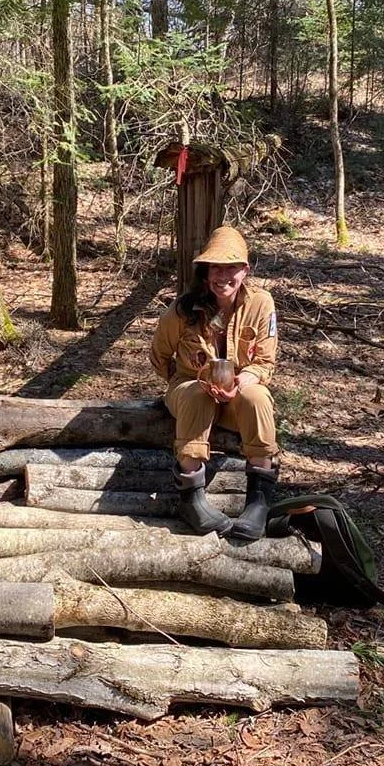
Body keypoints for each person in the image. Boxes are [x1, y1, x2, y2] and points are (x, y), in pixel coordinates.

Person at [150, 226, 279, 541]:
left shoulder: (261, 304)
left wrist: (240, 382)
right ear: (205, 272)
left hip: (237, 393)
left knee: (258, 397)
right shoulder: (181, 310)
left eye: (232, 267)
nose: (224, 275)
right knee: (197, 394)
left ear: (245, 270)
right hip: (190, 390)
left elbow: (264, 362)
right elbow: (158, 356)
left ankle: (258, 502)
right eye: (216, 267)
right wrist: (180, 384)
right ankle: (192, 500)